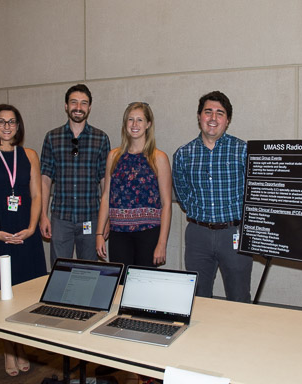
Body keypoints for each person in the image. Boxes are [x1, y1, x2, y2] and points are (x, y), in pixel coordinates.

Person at [0, 104, 47, 377]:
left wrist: (31, 227)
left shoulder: (29, 155)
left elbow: (36, 195)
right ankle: (8, 348)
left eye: (12, 122)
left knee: (27, 293)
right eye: (1, 122)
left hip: (26, 233)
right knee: (3, 295)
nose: (6, 126)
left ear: (18, 126)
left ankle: (21, 346)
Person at [173, 91, 252, 303]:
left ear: (227, 120)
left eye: (220, 113)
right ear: (199, 117)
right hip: (198, 235)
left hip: (234, 234)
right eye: (208, 112)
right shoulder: (184, 154)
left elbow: (252, 192)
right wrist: (198, 212)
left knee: (239, 296)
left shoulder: (243, 150)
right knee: (198, 298)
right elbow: (182, 192)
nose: (213, 118)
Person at [96, 102, 172, 274]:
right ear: (125, 124)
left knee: (143, 286)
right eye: (130, 119)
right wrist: (99, 234)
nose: (135, 124)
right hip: (118, 234)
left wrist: (162, 243)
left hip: (148, 234)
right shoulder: (114, 156)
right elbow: (106, 196)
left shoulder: (158, 158)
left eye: (140, 120)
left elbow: (167, 204)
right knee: (120, 284)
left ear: (148, 124)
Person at [40, 84, 111, 263]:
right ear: (66, 106)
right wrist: (43, 215)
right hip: (60, 218)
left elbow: (106, 184)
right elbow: (45, 181)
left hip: (91, 218)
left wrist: (106, 220)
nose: (78, 108)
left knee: (90, 273)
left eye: (83, 103)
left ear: (89, 108)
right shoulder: (52, 137)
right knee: (60, 271)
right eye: (74, 102)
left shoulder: (101, 139)